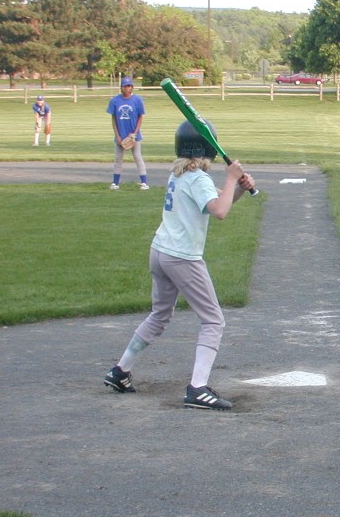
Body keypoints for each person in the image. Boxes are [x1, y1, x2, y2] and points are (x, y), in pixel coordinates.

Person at [103, 120, 256, 410]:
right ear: (208, 148)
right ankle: (197, 388)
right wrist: (232, 178)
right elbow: (220, 212)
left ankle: (120, 371)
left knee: (160, 315)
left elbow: (215, 206)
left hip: (160, 251)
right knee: (213, 320)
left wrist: (237, 189)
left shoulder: (180, 174)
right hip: (182, 257)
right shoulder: (198, 179)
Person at [106, 76, 149, 190]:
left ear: (132, 87)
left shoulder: (137, 100)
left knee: (137, 157)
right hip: (120, 135)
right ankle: (115, 183)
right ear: (121, 87)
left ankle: (144, 182)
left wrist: (134, 133)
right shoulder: (115, 100)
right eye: (125, 86)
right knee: (118, 159)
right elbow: (114, 119)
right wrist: (117, 135)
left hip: (134, 136)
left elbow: (140, 117)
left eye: (129, 86)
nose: (127, 88)